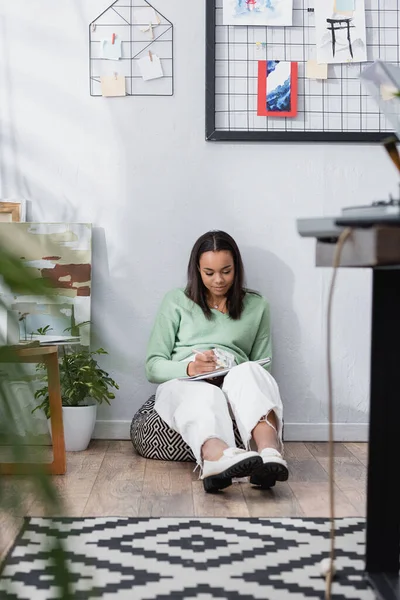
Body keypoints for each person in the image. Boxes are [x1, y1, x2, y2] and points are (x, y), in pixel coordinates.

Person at [145, 231, 288, 493]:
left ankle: (269, 454)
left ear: (237, 268)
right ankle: (217, 458)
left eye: (226, 271)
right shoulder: (176, 300)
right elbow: (152, 366)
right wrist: (191, 368)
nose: (219, 280)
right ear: (197, 270)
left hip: (236, 380)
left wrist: (230, 375)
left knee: (250, 372)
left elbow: (262, 368)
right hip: (185, 381)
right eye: (209, 273)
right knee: (201, 393)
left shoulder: (257, 306)